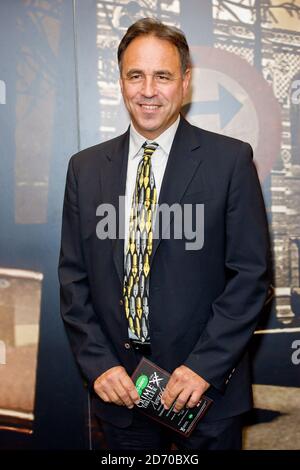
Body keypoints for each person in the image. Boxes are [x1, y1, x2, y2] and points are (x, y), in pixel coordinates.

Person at [58, 17, 271, 450]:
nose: (148, 90)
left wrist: (203, 368)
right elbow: (73, 279)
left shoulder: (229, 161)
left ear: (185, 82)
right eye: (136, 75)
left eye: (163, 76)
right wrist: (100, 365)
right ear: (120, 80)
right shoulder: (85, 168)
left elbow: (250, 277)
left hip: (203, 394)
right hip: (121, 392)